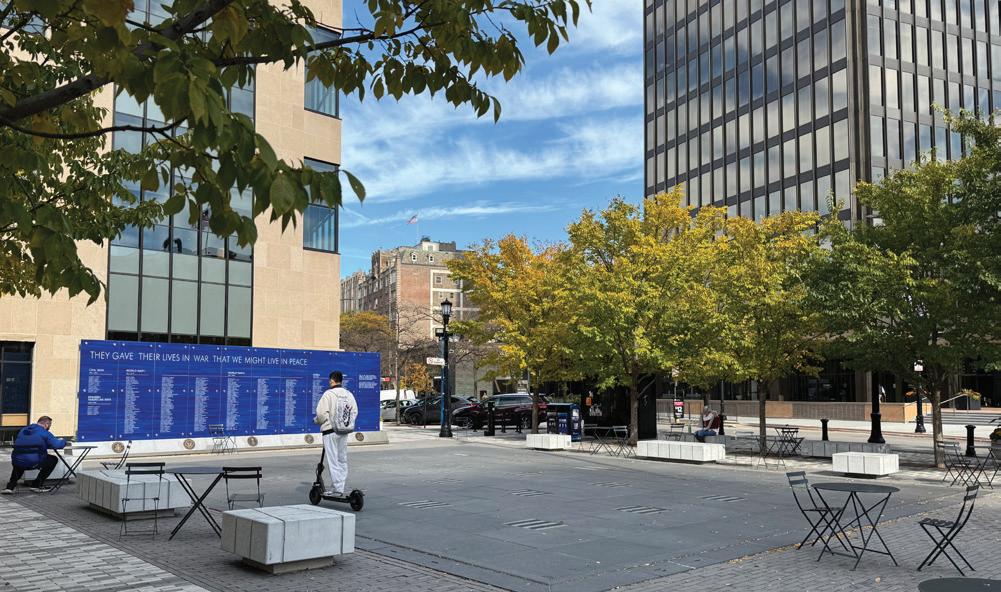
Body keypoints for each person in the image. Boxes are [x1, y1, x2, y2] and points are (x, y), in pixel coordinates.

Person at [314, 371, 358, 497]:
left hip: (330, 431)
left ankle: (337, 488)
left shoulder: (328, 394)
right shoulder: (349, 394)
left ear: (331, 381)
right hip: (343, 431)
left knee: (333, 460)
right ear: (341, 381)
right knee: (342, 459)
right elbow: (354, 411)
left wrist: (317, 421)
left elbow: (321, 414)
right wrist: (346, 424)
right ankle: (339, 486)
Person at [3, 416, 66, 494]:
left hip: (17, 461)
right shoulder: (45, 433)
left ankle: (10, 487)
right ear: (46, 424)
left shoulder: (23, 430)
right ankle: (36, 485)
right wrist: (63, 440)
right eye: (50, 425)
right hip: (33, 462)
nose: (49, 427)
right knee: (53, 459)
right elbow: (57, 445)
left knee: (21, 460)